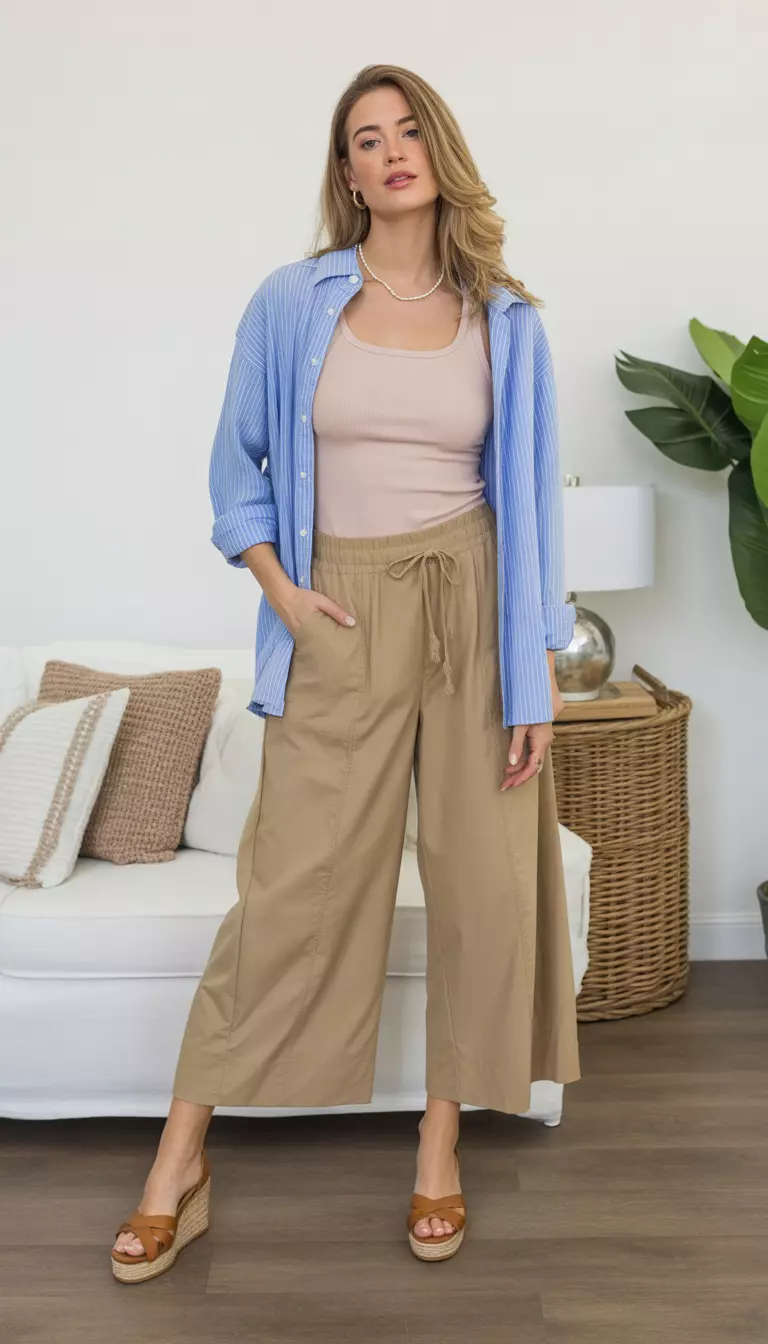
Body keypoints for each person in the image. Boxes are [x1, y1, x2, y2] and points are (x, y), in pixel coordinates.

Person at [111, 61, 581, 1281]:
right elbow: (238, 472)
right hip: (340, 609)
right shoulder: (293, 300)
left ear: (441, 150)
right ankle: (178, 1162)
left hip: (475, 605)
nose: (391, 151)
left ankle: (439, 1147)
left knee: (481, 888)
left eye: (408, 129)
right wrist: (282, 592)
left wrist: (533, 668)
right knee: (291, 889)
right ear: (348, 173)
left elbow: (532, 506)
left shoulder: (506, 317)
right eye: (366, 139)